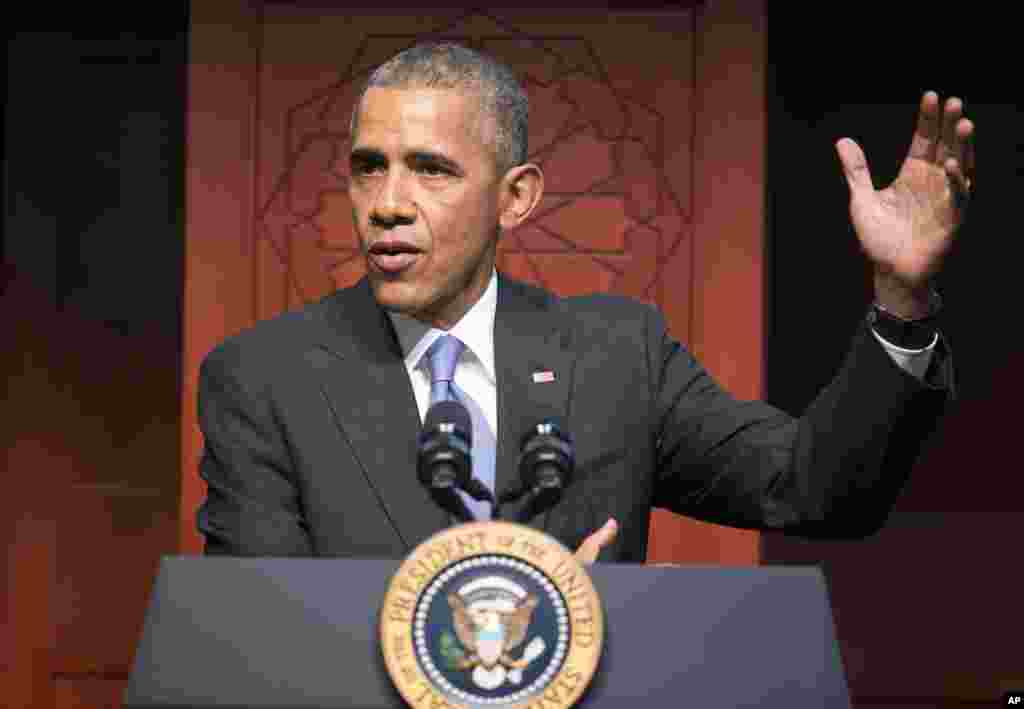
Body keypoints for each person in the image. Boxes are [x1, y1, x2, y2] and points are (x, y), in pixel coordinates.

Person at [196, 42, 970, 563]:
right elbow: (263, 634)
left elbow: (814, 487)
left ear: (517, 197)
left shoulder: (617, 358)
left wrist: (901, 300)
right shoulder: (264, 378)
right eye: (369, 168)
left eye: (431, 170)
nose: (387, 203)